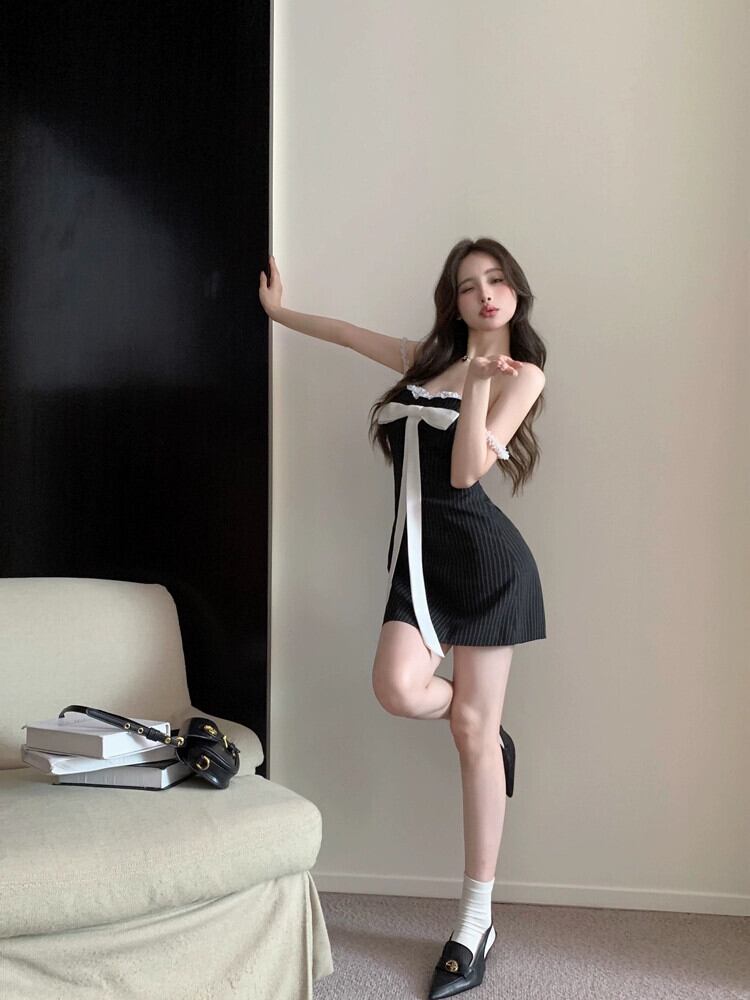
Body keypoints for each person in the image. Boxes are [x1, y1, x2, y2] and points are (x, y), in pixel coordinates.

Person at [259, 236, 547, 999]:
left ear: (516, 292)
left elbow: (466, 471)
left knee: (469, 741)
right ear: (453, 301)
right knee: (396, 688)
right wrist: (280, 313)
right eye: (468, 285)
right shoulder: (426, 358)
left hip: (485, 566)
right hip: (417, 566)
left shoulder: (521, 373)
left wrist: (478, 386)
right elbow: (347, 334)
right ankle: (484, 721)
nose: (485, 294)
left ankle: (475, 923)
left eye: (496, 280)